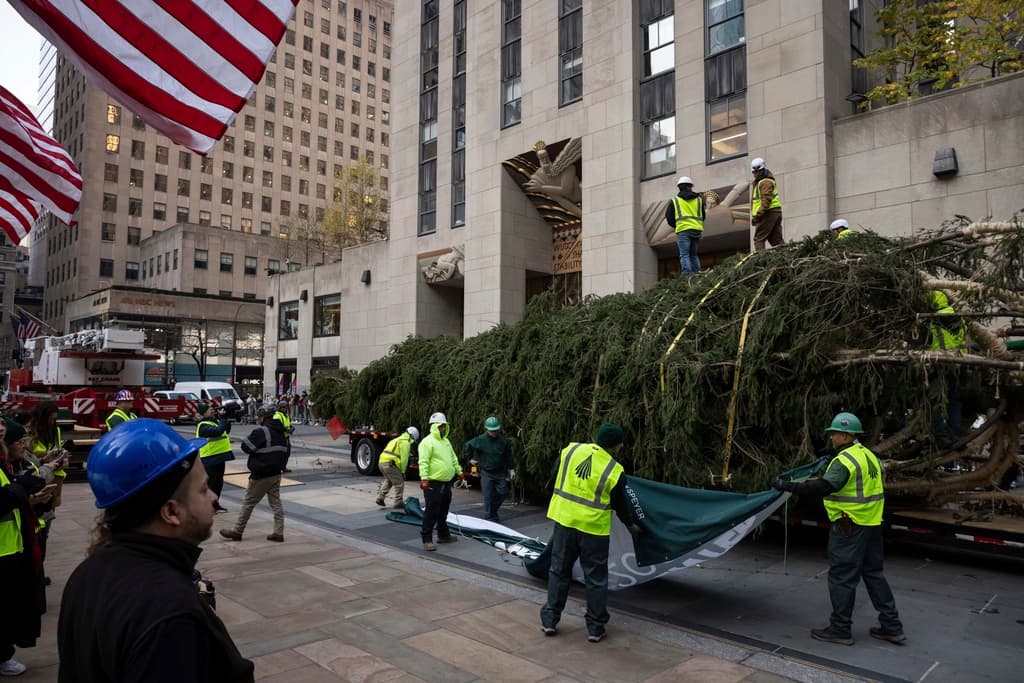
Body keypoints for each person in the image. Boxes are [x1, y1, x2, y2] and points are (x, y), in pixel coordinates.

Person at [58, 419, 254, 681]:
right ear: (171, 512)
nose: (214, 498)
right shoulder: (170, 617)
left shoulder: (88, 572)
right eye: (204, 489)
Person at [773, 412, 904, 646]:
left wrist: (788, 486)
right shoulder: (869, 455)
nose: (831, 437)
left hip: (849, 527)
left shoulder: (844, 461)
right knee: (874, 575)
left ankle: (840, 629)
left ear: (845, 435)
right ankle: (892, 626)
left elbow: (823, 487)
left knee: (842, 578)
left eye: (834, 433)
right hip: (873, 525)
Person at [540, 423, 641, 643]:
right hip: (593, 530)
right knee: (595, 578)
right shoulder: (614, 469)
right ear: (618, 446)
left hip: (565, 521)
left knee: (559, 571)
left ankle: (550, 620)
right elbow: (621, 504)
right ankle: (595, 628)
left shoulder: (571, 450)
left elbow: (554, 472)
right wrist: (631, 524)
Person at [0, 420, 51, 678]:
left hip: (11, 548)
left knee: (10, 608)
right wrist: (22, 488)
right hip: (3, 550)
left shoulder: (5, 465)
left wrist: (29, 497)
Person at [220, 406, 289, 543]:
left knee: (248, 503)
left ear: (263, 418)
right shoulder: (281, 433)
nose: (257, 419)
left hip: (261, 474)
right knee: (276, 504)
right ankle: (278, 532)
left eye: (258, 417)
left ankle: (237, 531)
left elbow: (246, 447)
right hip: (276, 474)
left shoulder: (261, 432)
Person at [25, 403, 68, 568]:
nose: (53, 422)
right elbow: (28, 455)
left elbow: (57, 448)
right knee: (36, 527)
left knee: (47, 524)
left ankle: (39, 564)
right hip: (38, 478)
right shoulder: (30, 432)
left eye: (55, 419)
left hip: (55, 478)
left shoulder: (55, 430)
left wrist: (61, 456)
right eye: (51, 418)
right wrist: (46, 456)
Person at [925, 290, 967, 443]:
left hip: (940, 363)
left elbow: (927, 342)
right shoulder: (960, 318)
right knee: (955, 400)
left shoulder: (932, 320)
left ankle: (939, 433)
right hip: (962, 362)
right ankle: (955, 433)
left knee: (937, 398)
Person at [418, 412, 464, 551]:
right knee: (431, 511)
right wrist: (424, 478)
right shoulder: (427, 442)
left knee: (443, 510)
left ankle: (443, 535)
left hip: (445, 483)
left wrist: (459, 471)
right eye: (442, 426)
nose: (444, 428)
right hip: (433, 483)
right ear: (435, 426)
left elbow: (453, 457)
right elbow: (423, 461)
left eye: (445, 426)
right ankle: (426, 539)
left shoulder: (446, 441)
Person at [464, 416, 515, 522]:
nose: (494, 433)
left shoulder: (502, 441)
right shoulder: (481, 440)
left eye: (496, 430)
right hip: (486, 472)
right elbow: (468, 445)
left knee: (503, 492)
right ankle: (489, 520)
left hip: (499, 472)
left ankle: (492, 512)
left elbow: (508, 455)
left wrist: (511, 468)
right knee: (488, 497)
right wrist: (470, 459)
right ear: (487, 429)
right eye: (491, 431)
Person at [195, 403, 234, 513]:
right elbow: (217, 432)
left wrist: (226, 417)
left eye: (212, 409)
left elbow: (226, 429)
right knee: (211, 484)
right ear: (204, 413)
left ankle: (215, 504)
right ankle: (207, 506)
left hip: (219, 456)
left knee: (218, 483)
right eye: (210, 409)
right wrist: (222, 419)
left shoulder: (214, 421)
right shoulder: (202, 425)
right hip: (209, 458)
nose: (213, 411)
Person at [664, 176, 705, 274]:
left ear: (679, 187)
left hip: (683, 230)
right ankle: (698, 274)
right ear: (690, 186)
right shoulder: (699, 200)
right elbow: (703, 216)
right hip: (696, 230)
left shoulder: (675, 200)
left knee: (685, 254)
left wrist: (678, 225)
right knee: (693, 255)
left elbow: (669, 218)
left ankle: (687, 277)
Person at [376, 426, 419, 510]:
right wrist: (403, 472)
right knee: (399, 483)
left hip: (381, 462)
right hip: (390, 463)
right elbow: (404, 459)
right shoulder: (406, 443)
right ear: (413, 437)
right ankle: (398, 502)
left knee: (389, 480)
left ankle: (380, 498)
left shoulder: (396, 439)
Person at [750, 157, 784, 251]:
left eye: (758, 171)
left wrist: (758, 215)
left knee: (759, 239)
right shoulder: (763, 181)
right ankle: (784, 257)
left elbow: (766, 200)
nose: (756, 173)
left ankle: (760, 261)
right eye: (754, 172)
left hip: (768, 213)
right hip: (774, 212)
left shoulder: (765, 182)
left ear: (763, 169)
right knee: (776, 240)